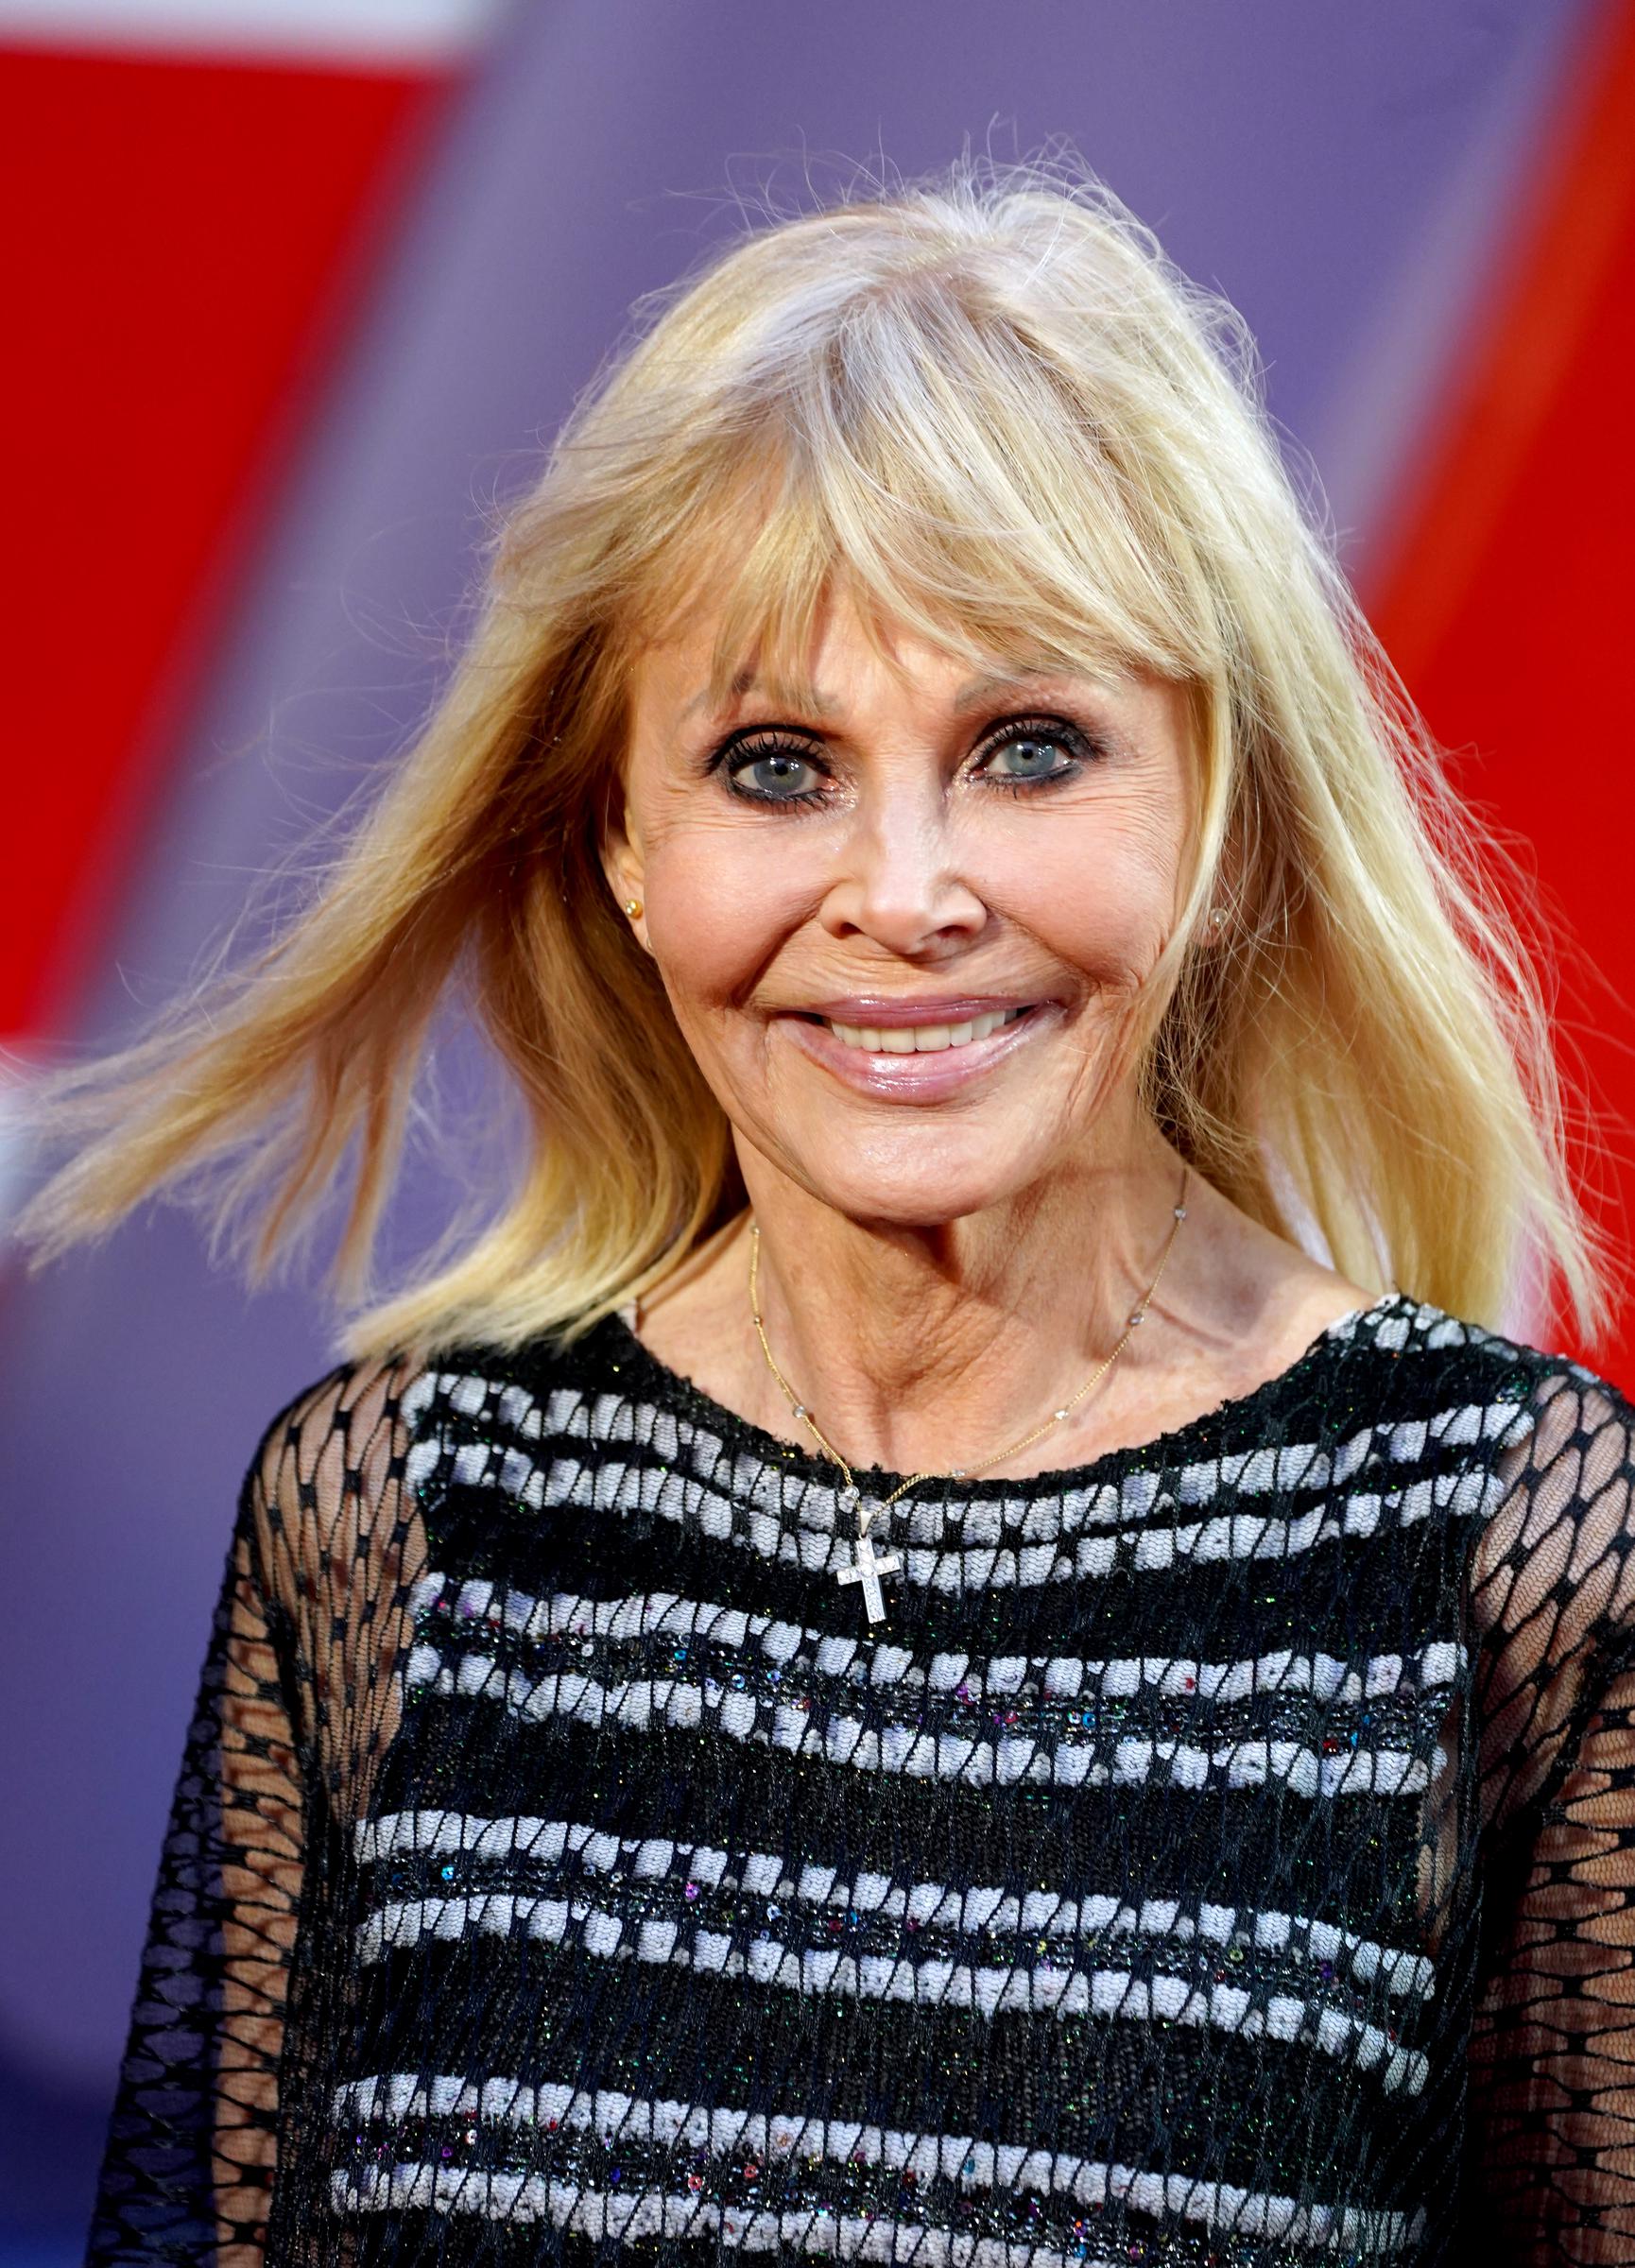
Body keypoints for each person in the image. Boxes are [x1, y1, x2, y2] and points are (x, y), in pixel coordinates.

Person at [26, 157, 1635, 2268]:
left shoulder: (1504, 1552)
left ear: (1228, 825)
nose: (900, 890)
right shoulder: (397, 1514)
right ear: (617, 841)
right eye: (777, 762)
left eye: (1033, 749)